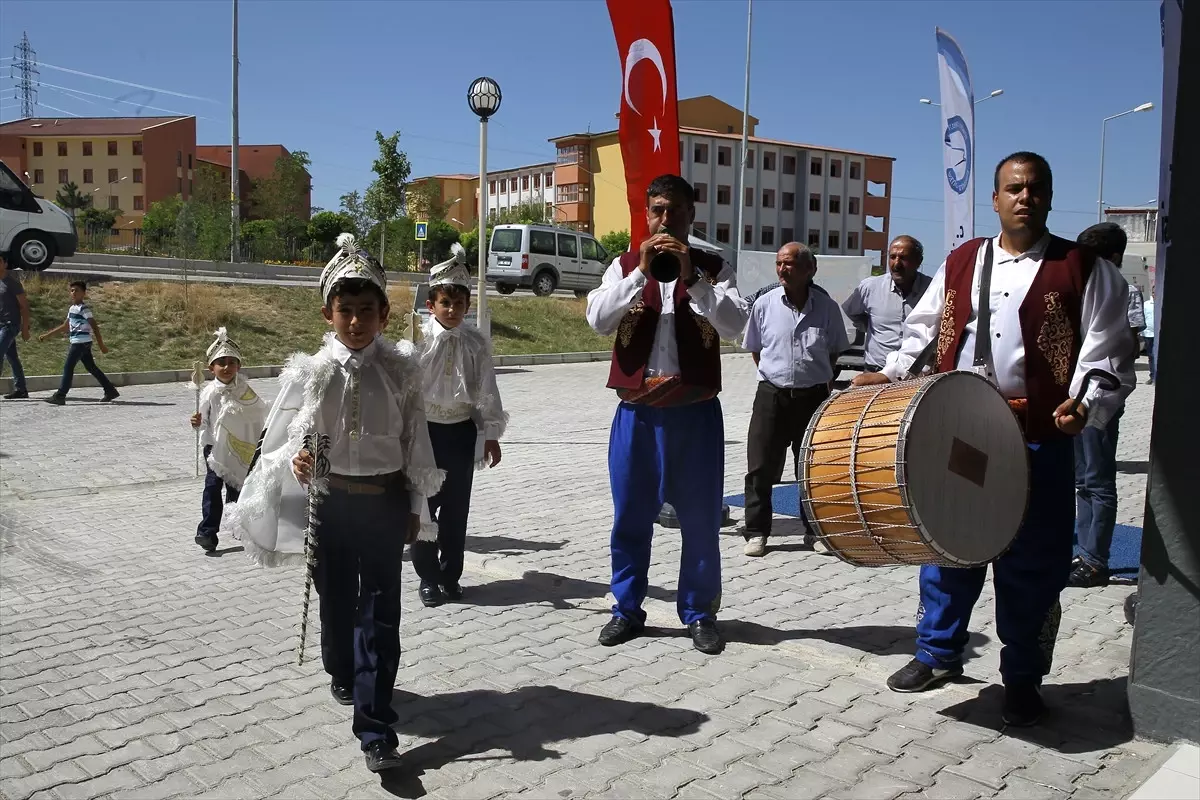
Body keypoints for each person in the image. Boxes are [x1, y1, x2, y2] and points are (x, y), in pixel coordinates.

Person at [851, 152, 1133, 726]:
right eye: (1013, 188)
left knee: (1032, 559)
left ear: (1048, 198)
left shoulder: (1085, 268)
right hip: (960, 430)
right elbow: (923, 329)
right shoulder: (962, 260)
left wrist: (1085, 404)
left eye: (1034, 189)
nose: (1024, 197)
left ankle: (1024, 677)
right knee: (949, 542)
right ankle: (938, 654)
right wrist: (894, 372)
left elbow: (1106, 349)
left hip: (1038, 437)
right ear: (997, 199)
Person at [221, 233, 444, 772]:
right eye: (345, 311)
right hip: (332, 505)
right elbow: (283, 438)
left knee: (380, 614)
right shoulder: (311, 373)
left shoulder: (401, 373)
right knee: (337, 600)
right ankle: (341, 667)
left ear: (385, 314)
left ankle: (375, 726)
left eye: (367, 311)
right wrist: (296, 462)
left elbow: (417, 441)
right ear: (328, 313)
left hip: (385, 504)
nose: (355, 322)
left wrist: (417, 505)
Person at [585, 174, 749, 655]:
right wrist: (640, 274)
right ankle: (627, 608)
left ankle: (699, 613)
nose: (665, 220)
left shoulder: (714, 269)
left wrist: (693, 279)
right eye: (657, 211)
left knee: (699, 521)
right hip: (636, 416)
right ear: (647, 214)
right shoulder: (622, 266)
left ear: (690, 216)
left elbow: (738, 326)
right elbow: (596, 320)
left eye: (674, 211)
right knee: (630, 518)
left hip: (694, 416)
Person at [411, 243, 507, 607]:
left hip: (461, 433)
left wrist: (491, 436)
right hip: (425, 434)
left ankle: (451, 576)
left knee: (456, 510)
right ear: (431, 304)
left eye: (459, 304)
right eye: (444, 303)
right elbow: (404, 390)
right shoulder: (416, 340)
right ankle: (428, 578)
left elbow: (487, 389)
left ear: (467, 306)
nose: (452, 310)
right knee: (424, 507)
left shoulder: (475, 343)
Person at [740, 242, 849, 557]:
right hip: (771, 396)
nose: (782, 269)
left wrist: (813, 375)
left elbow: (834, 351)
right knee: (759, 466)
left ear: (809, 270)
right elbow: (756, 349)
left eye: (789, 264)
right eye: (779, 264)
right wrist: (777, 376)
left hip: (813, 397)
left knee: (812, 467)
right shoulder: (765, 304)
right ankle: (757, 531)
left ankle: (815, 532)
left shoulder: (826, 308)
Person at [1070, 223, 1138, 588]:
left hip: (1100, 399)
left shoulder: (1120, 290)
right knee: (1082, 480)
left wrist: (1090, 397)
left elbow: (1122, 348)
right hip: (1077, 397)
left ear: (1112, 258)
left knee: (1097, 480)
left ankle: (1096, 560)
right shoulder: (1087, 285)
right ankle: (1085, 551)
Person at [189, 327, 268, 554]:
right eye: (220, 362)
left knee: (237, 489)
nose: (226, 367)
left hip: (241, 448)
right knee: (213, 488)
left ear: (239, 366)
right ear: (211, 368)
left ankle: (240, 527)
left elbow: (257, 412)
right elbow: (203, 420)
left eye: (231, 362)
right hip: (215, 448)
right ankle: (207, 532)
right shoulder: (210, 393)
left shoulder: (245, 390)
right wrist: (197, 422)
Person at [842, 236, 933, 372]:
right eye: (892, 257)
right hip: (876, 372)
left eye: (903, 258)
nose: (896, 264)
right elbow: (852, 311)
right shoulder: (870, 287)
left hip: (915, 376)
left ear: (918, 261)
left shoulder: (933, 290)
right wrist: (870, 326)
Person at [38, 280, 119, 404]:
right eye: (72, 290)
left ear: (83, 293)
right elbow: (66, 326)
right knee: (91, 367)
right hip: (81, 343)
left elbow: (95, 326)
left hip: (80, 343)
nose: (74, 293)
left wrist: (101, 345)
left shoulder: (84, 309)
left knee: (68, 367)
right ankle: (110, 390)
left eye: (77, 290)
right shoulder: (72, 309)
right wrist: (47, 335)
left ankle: (60, 395)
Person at [0, 254, 31, 400]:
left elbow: (24, 307)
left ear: (5, 264)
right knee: (12, 357)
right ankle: (21, 389)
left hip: (10, 325)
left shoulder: (12, 283)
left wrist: (25, 328)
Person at [1143, 292, 1156, 384]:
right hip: (1148, 334)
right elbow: (1142, 317)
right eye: (1154, 292)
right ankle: (1152, 376)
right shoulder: (1146, 304)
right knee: (1151, 356)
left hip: (1159, 333)